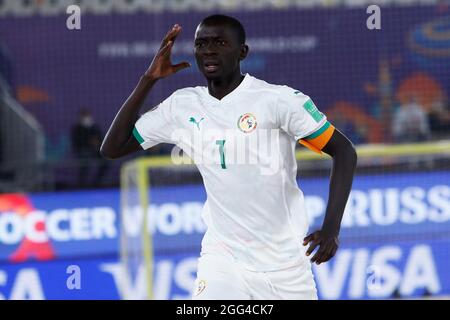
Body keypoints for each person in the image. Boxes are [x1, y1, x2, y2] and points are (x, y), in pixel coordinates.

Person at [101, 15, 357, 300]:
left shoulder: (278, 100)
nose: (209, 50)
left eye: (220, 42)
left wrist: (331, 229)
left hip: (285, 264)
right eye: (201, 44)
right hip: (223, 257)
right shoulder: (182, 105)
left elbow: (344, 151)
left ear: (242, 52)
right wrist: (148, 80)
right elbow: (112, 148)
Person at [71, 109, 108, 187]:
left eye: (87, 116)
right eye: (84, 116)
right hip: (83, 151)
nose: (87, 118)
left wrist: (96, 144)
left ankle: (97, 182)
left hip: (95, 151)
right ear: (81, 117)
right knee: (85, 164)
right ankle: (81, 184)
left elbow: (101, 140)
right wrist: (88, 142)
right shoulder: (77, 129)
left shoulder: (95, 127)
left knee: (106, 162)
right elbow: (77, 142)